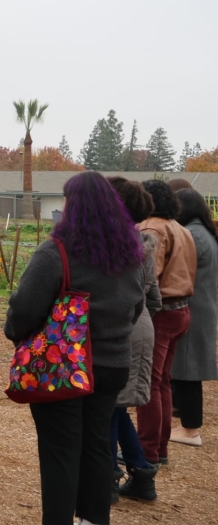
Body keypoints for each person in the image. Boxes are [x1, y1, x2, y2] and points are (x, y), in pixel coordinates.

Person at [6, 171, 147, 525]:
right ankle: (93, 519)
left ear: (73, 206)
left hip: (64, 366)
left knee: (60, 452)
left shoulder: (56, 251)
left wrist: (15, 333)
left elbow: (24, 309)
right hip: (113, 365)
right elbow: (137, 307)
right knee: (98, 446)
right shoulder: (132, 253)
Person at [106, 177, 161, 502]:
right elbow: (154, 300)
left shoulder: (108, 247)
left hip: (120, 329)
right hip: (140, 327)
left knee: (109, 408)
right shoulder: (143, 247)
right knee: (117, 408)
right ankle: (141, 474)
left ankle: (109, 478)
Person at [136, 179, 196, 469]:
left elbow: (148, 275)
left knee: (148, 382)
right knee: (162, 380)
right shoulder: (181, 228)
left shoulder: (153, 228)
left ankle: (147, 451)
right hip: (181, 310)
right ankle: (159, 448)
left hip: (161, 312)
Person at [169, 188, 218, 447]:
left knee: (188, 369)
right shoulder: (204, 232)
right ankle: (187, 425)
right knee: (187, 367)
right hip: (202, 306)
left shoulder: (193, 235)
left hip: (192, 308)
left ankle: (190, 429)